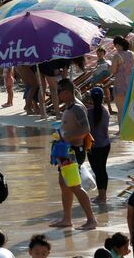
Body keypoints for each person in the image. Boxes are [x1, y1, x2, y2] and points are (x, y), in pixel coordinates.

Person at [51, 78, 97, 230]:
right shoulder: (70, 106)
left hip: (74, 151)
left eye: (59, 92)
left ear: (67, 92)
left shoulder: (77, 107)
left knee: (74, 186)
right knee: (64, 184)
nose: (57, 95)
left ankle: (91, 220)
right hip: (66, 150)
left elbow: (86, 129)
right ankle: (67, 219)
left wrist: (67, 137)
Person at [88, 86, 112, 204]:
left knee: (97, 171)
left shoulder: (88, 112)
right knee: (102, 169)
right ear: (103, 98)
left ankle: (101, 196)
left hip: (93, 146)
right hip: (105, 144)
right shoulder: (106, 111)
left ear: (91, 98)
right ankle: (103, 195)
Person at [110, 36, 134, 123]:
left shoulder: (117, 56)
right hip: (131, 84)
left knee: (121, 110)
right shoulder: (132, 54)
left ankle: (121, 129)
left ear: (117, 45)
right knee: (130, 109)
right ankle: (130, 128)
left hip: (120, 84)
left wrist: (109, 67)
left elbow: (113, 71)